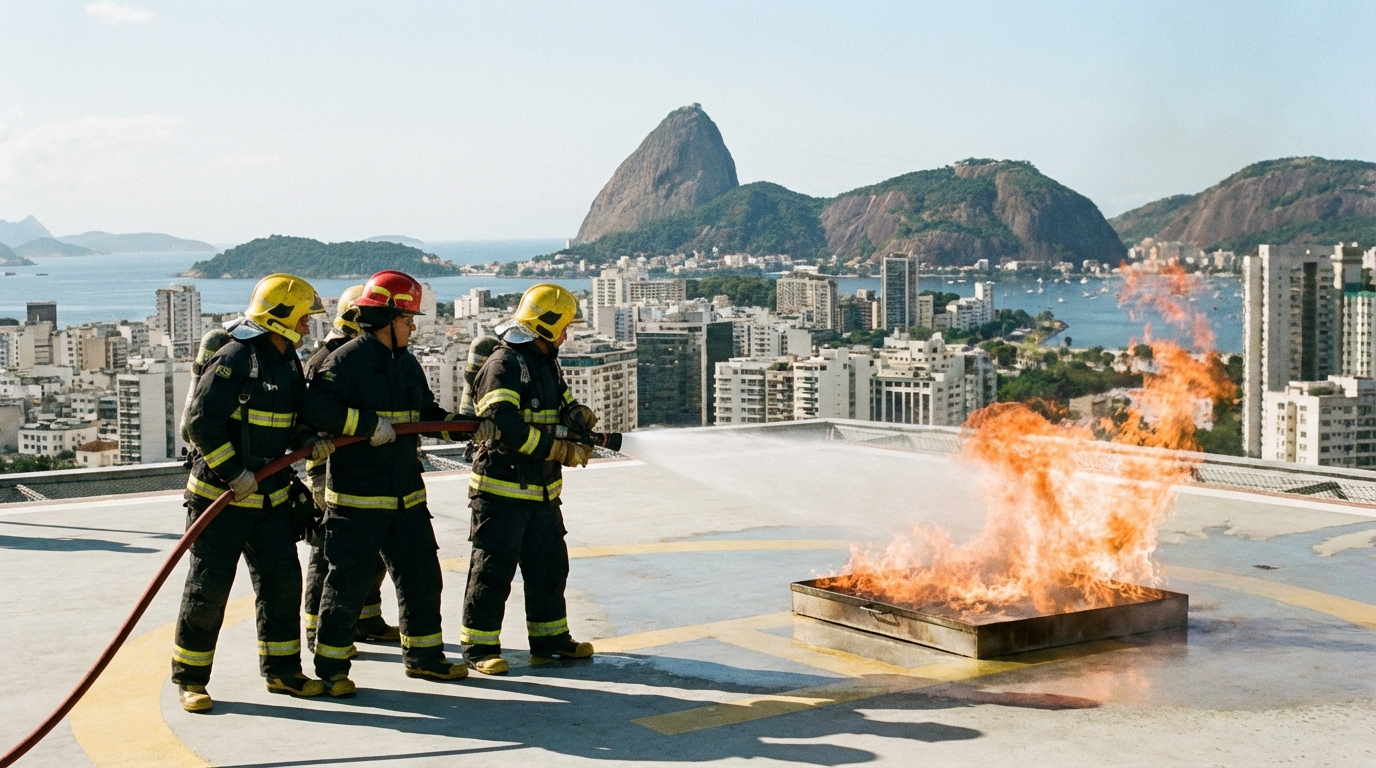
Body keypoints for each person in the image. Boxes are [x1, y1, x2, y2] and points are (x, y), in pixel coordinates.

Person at [172, 274, 335, 713]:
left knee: (282, 585)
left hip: (270, 497)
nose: (308, 328)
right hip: (219, 498)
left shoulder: (287, 362)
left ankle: (282, 672)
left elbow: (290, 417)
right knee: (208, 590)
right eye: (303, 318)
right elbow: (201, 423)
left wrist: (307, 439)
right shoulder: (235, 357)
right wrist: (233, 473)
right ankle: (191, 680)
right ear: (280, 317)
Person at [303, 270, 466, 696]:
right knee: (347, 581)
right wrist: (365, 424)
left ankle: (425, 659)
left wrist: (462, 427)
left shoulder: (405, 362)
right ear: (388, 317)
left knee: (422, 577)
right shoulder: (344, 361)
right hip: (356, 498)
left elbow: (424, 413)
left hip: (406, 495)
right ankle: (332, 668)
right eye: (408, 319)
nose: (413, 326)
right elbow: (316, 409)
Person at [460, 283, 597, 675]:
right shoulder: (504, 364)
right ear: (545, 325)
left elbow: (563, 401)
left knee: (550, 568)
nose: (567, 335)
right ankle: (479, 647)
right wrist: (559, 450)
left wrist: (578, 416)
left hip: (542, 492)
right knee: (492, 570)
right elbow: (505, 423)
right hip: (501, 491)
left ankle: (551, 639)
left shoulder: (545, 361)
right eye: (564, 328)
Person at [301, 285, 400, 653]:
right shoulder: (326, 361)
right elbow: (315, 421)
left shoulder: (371, 359)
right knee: (327, 555)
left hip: (365, 471)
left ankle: (367, 618)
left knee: (369, 554)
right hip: (330, 472)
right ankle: (317, 629)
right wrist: (317, 477)